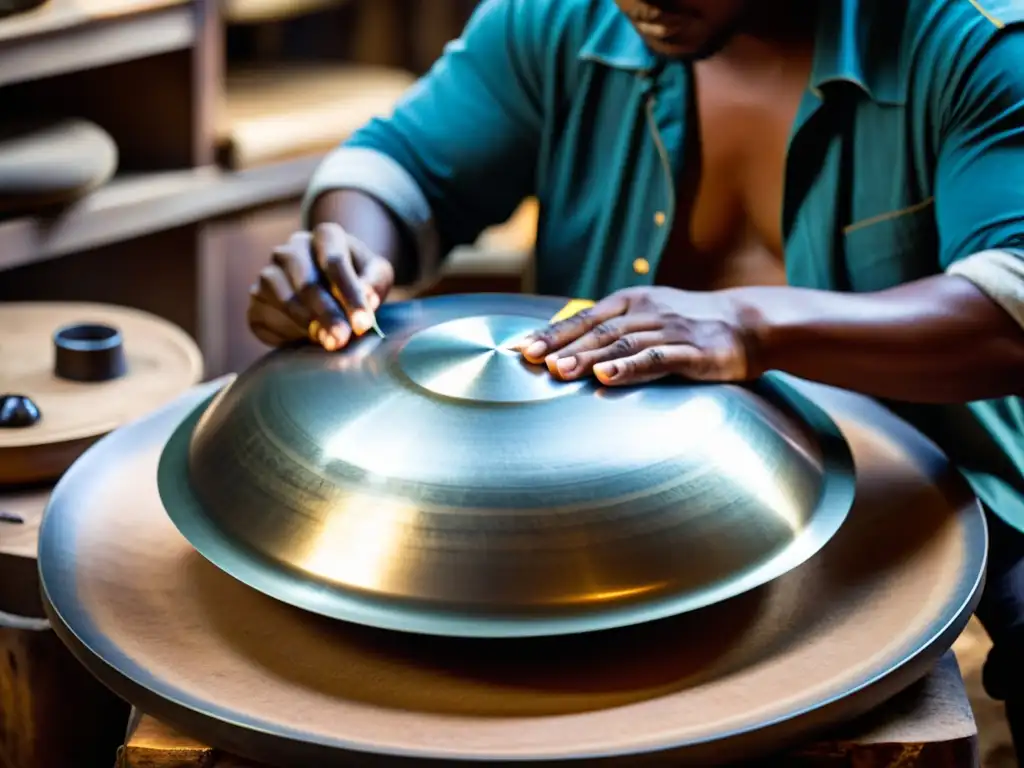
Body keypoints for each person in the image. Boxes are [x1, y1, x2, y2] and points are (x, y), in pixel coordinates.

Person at [246, 0, 1024, 752]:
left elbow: (1008, 316)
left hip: (929, 494)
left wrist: (749, 325)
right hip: (604, 508)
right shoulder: (556, 18)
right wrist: (341, 256)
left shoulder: (972, 39)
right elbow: (397, 163)